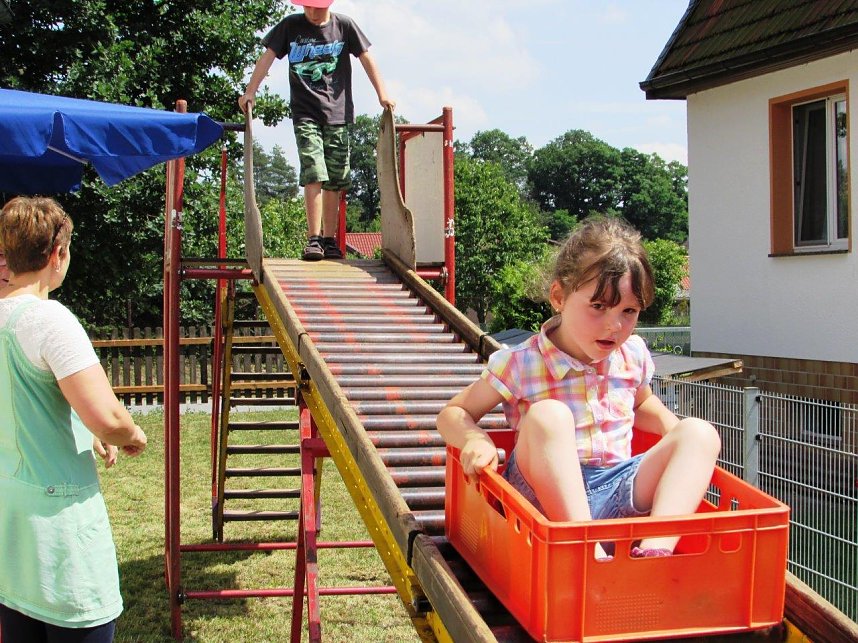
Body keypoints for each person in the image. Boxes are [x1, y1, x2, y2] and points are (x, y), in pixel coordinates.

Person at [436, 216, 721, 558]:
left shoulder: (631, 354)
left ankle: (654, 551)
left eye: (629, 311)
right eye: (598, 307)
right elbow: (453, 413)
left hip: (618, 490)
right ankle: (588, 554)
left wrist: (675, 434)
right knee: (549, 416)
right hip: (543, 501)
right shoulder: (522, 362)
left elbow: (640, 403)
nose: (614, 326)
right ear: (559, 296)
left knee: (700, 433)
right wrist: (474, 439)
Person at [0, 197, 147, 642]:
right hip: (58, 533)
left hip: (12, 529)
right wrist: (131, 433)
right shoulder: (50, 320)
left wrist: (83, 428)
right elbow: (107, 416)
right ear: (56, 254)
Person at [239, 0, 395, 261]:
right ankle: (314, 239)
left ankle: (329, 240)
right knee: (314, 171)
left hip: (338, 112)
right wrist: (250, 92)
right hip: (306, 113)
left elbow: (367, 58)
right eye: (307, 7)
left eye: (316, 7)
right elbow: (266, 57)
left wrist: (383, 95)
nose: (311, 12)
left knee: (335, 177)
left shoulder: (343, 26)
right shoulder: (290, 26)